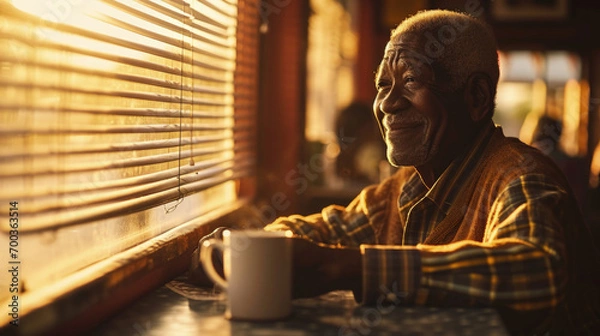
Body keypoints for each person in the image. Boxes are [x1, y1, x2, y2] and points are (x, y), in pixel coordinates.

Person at [196, 9, 600, 335]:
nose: (386, 104)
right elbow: (323, 232)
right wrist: (248, 250)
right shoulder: (403, 189)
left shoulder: (521, 176)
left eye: (409, 80)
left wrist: (349, 267)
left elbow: (534, 272)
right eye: (382, 85)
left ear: (475, 97)